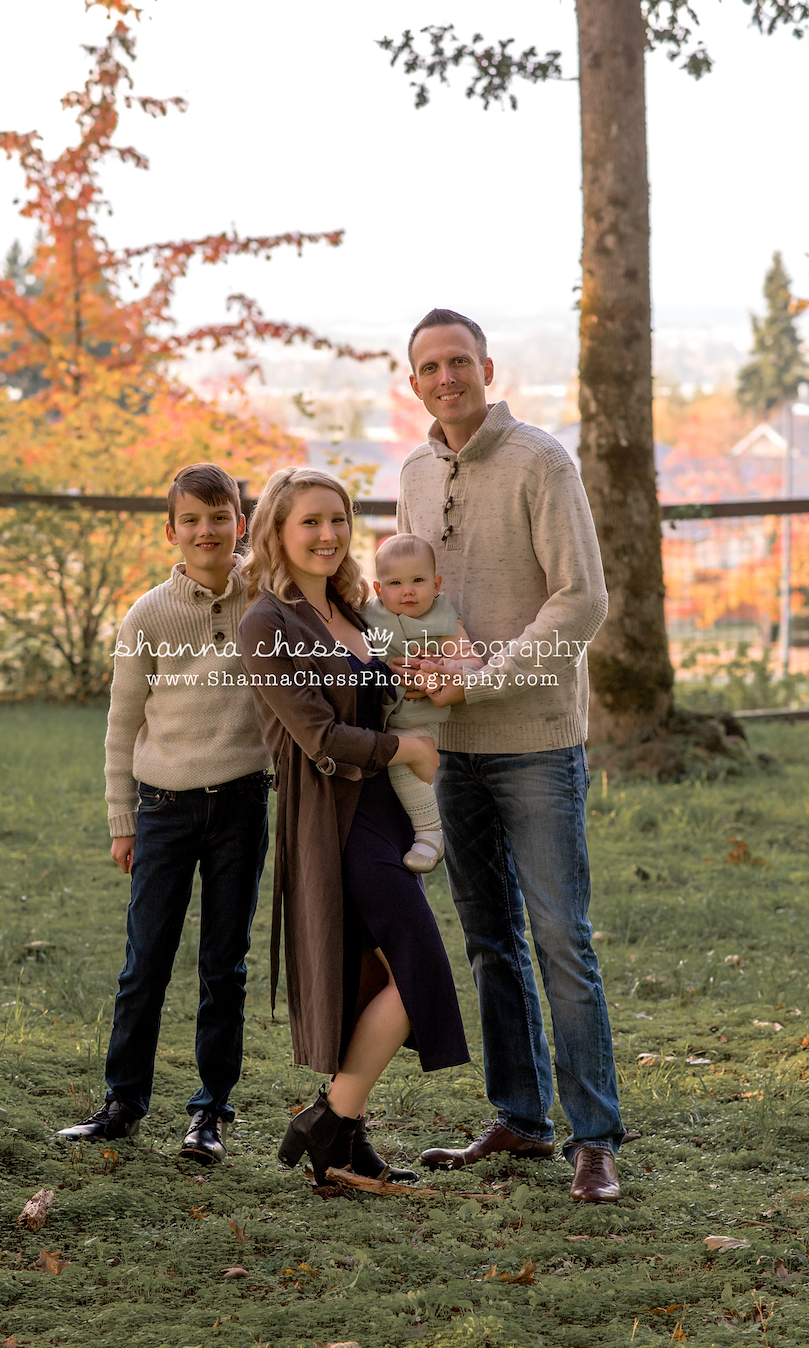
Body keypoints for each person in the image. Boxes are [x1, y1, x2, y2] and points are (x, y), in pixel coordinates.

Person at [395, 308, 626, 1203]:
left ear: (487, 369)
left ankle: (594, 1138)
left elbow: (581, 601)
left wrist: (483, 679)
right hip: (449, 749)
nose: (446, 378)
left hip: (533, 743)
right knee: (490, 939)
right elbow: (410, 599)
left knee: (561, 939)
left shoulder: (541, 462)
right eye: (429, 367)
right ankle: (520, 1118)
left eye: (459, 361)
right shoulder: (414, 473)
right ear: (413, 382)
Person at [238, 466, 469, 1185]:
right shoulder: (268, 623)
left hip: (386, 812)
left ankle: (343, 1140)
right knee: (418, 966)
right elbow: (318, 737)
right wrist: (407, 748)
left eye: (337, 519)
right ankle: (328, 1119)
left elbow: (386, 689)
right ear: (276, 531)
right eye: (309, 521)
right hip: (332, 819)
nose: (327, 534)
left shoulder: (356, 610)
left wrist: (431, 673)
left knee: (373, 976)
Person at [57, 463, 270, 1166]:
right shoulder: (147, 615)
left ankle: (210, 1112)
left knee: (223, 966)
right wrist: (122, 820)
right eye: (192, 519)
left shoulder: (267, 602)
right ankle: (123, 1102)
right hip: (162, 808)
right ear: (171, 530)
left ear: (241, 523)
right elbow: (122, 724)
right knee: (144, 961)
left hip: (241, 803)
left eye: (220, 516)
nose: (207, 530)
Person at [363, 532, 480, 872]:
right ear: (378, 589)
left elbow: (473, 662)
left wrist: (447, 667)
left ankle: (430, 831)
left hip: (419, 712)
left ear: (436, 583)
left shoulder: (442, 620)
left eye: (418, 581)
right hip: (379, 713)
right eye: (395, 583)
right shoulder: (369, 616)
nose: (408, 591)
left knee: (403, 762)